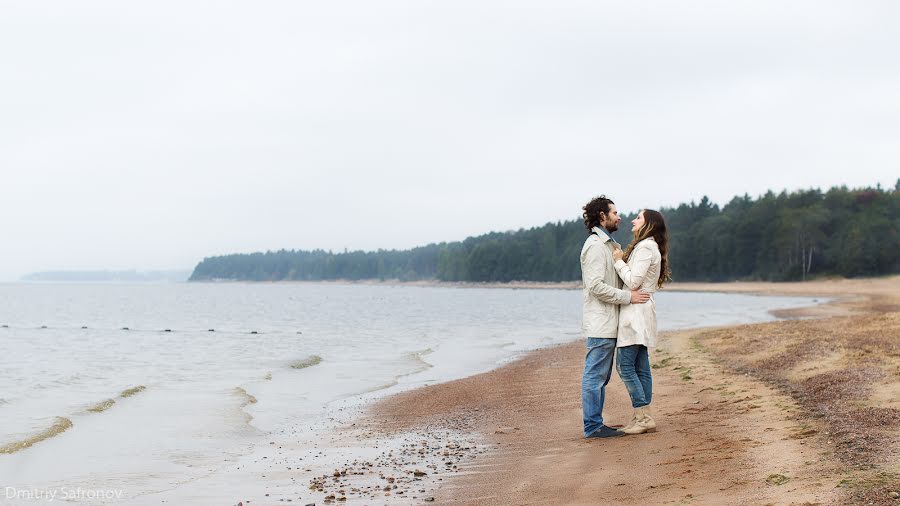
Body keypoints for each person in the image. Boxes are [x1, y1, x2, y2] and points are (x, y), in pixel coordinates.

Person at [580, 196, 650, 439]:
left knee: (601, 376)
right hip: (601, 323)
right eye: (615, 212)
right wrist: (628, 297)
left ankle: (595, 424)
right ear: (602, 216)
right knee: (595, 376)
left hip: (610, 323)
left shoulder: (609, 246)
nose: (619, 216)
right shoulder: (595, 246)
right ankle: (592, 426)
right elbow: (595, 286)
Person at [612, 209, 672, 435]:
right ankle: (644, 416)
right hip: (642, 311)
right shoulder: (651, 246)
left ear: (649, 224)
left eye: (638, 217)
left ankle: (643, 416)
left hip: (636, 312)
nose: (633, 220)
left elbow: (633, 281)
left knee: (625, 366)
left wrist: (618, 261)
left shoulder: (646, 247)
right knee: (641, 367)